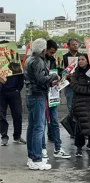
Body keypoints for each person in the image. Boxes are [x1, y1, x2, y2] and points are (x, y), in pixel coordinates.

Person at [24, 38, 60, 170]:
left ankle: (31, 157)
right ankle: (38, 159)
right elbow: (40, 79)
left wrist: (50, 82)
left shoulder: (28, 59)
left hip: (30, 95)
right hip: (38, 96)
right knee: (39, 128)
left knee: (32, 127)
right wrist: (54, 77)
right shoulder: (38, 61)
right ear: (43, 50)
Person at [43, 40, 71, 159]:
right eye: (51, 52)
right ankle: (42, 149)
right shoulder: (39, 61)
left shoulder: (54, 60)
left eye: (54, 53)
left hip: (53, 93)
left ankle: (58, 148)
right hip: (42, 94)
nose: (53, 55)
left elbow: (58, 73)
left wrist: (63, 76)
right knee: (41, 124)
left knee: (54, 121)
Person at [0, 40, 25, 146]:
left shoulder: (16, 60)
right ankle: (4, 136)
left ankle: (17, 136)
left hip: (14, 91)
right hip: (1, 92)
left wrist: (17, 89)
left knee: (18, 115)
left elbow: (21, 76)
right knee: (1, 115)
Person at [63, 39, 81, 114]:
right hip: (69, 84)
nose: (75, 46)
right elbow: (61, 70)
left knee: (80, 106)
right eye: (73, 45)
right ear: (68, 46)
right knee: (70, 106)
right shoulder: (64, 57)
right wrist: (66, 74)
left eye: (76, 44)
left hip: (80, 84)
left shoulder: (81, 57)